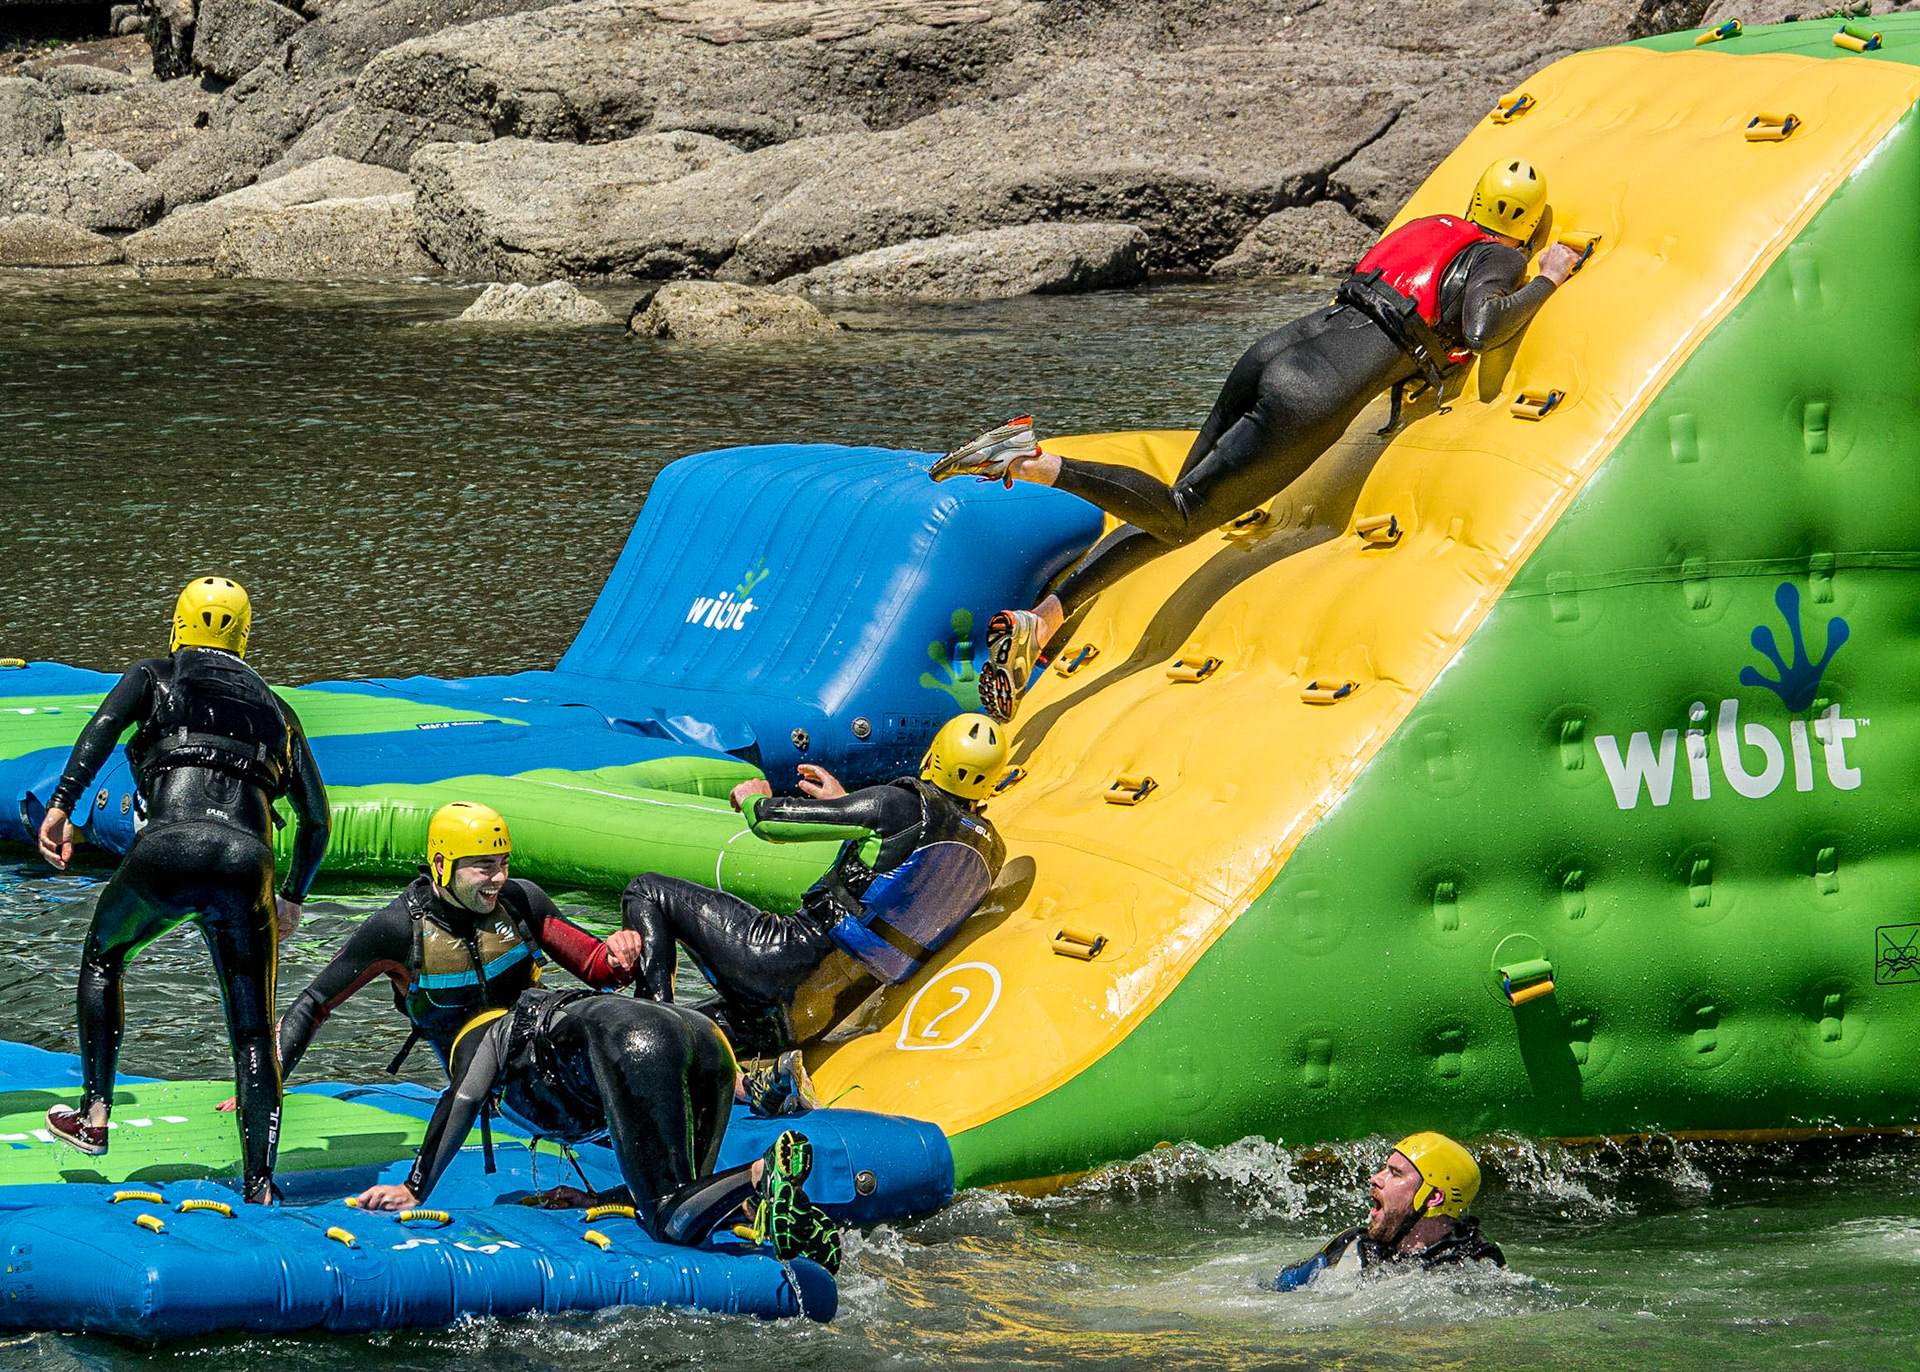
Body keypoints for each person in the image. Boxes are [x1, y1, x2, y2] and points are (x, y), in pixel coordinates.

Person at [932, 158, 1581, 721]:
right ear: (1526, 226)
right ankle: (1031, 461)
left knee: (1167, 507)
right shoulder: (1500, 254)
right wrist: (1548, 275)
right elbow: (1483, 327)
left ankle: (1041, 621)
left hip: (1276, 348)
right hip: (1311, 393)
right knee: (1184, 515)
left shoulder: (1427, 228)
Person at [34, 576, 330, 1204]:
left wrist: (62, 804)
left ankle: (94, 1115)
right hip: (247, 864)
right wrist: (293, 898)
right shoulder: (280, 711)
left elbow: (102, 729)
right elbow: (317, 822)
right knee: (254, 1034)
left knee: (104, 958)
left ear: (177, 625)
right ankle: (260, 1182)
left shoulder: (156, 673)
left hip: (168, 848)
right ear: (244, 638)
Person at [352, 987, 842, 1271]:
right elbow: (651, 1156)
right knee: (688, 1195)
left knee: (667, 1219)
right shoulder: (563, 1039)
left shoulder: (488, 1035)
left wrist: (414, 1188)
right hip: (707, 1037)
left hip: (639, 1041)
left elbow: (462, 1098)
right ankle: (765, 1204)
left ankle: (762, 1173)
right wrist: (596, 1199)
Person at [620, 712, 1009, 1059]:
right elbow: (901, 877)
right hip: (809, 1018)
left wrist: (754, 799)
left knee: (646, 891)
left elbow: (772, 823)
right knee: (683, 1034)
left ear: (935, 754)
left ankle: (654, 1034)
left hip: (777, 958)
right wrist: (846, 802)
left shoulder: (898, 804)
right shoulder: (990, 854)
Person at [273, 801, 643, 1082]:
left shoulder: (521, 901)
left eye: (504, 862)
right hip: (478, 1085)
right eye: (485, 866)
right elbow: (313, 1004)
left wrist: (619, 955)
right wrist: (266, 1084)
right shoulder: (397, 929)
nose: (499, 877)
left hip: (548, 1058)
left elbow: (597, 970)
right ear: (441, 864)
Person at [1273, 1132, 1505, 1290]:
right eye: (1384, 1169)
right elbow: (1278, 1288)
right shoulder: (1352, 1245)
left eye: (1395, 1173)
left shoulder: (1474, 1266)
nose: (1375, 1178)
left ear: (1433, 1197)